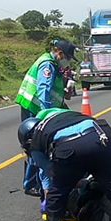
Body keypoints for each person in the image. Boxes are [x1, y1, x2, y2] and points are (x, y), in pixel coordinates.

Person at [15, 39, 78, 197]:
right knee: (35, 146)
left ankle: (32, 182)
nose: (68, 61)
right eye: (68, 57)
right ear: (60, 53)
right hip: (34, 109)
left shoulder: (53, 64)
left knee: (36, 146)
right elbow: (43, 91)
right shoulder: (47, 65)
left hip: (37, 109)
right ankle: (31, 184)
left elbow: (52, 89)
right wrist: (48, 116)